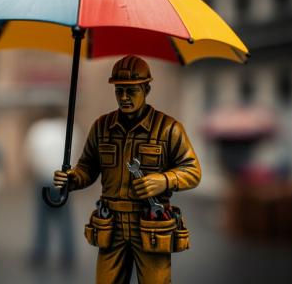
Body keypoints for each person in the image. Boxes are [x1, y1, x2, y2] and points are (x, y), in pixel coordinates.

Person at [54, 55, 201, 284]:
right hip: (110, 223)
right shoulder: (102, 127)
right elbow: (87, 168)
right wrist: (72, 178)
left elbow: (193, 171)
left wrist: (164, 180)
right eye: (119, 90)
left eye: (131, 91)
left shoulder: (169, 129)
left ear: (147, 89)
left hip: (151, 222)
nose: (124, 97)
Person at [25, 108, 80, 268]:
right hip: (63, 180)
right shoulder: (70, 128)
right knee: (66, 219)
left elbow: (29, 155)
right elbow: (76, 152)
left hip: (43, 179)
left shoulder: (37, 129)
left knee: (42, 219)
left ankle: (40, 253)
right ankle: (68, 255)